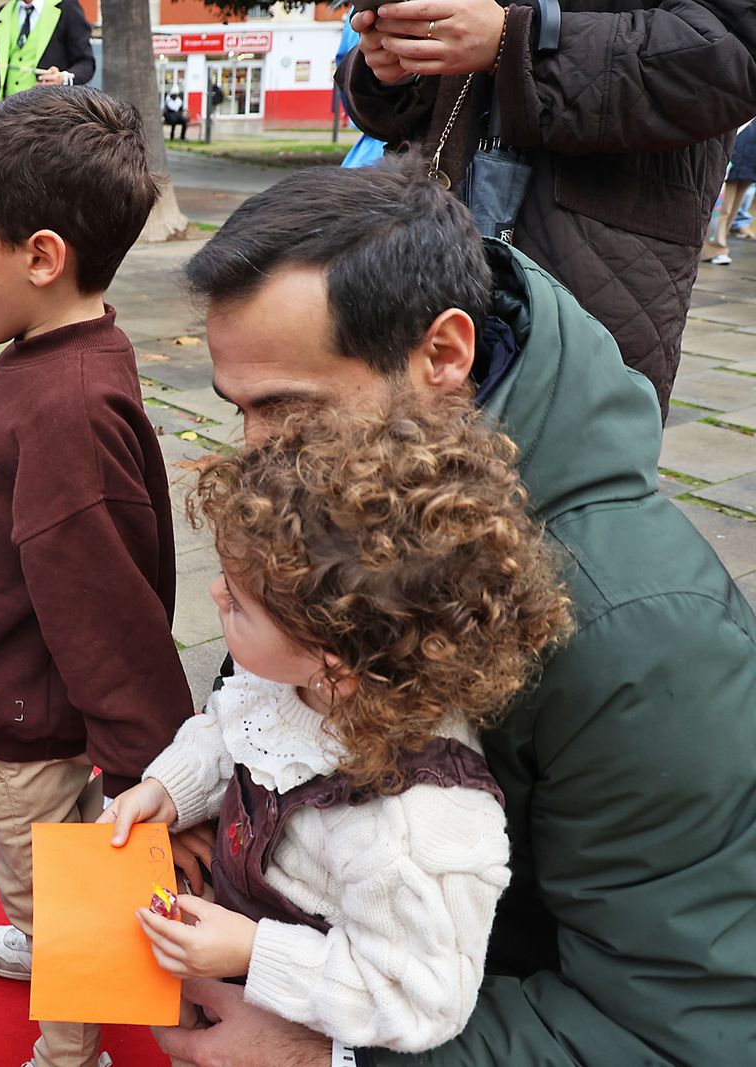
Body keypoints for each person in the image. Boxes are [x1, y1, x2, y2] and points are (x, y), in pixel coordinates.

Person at [157, 159, 756, 1067]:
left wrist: (325, 1058)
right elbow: (271, 690)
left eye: (288, 407)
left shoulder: (640, 636)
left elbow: (674, 1025)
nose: (255, 452)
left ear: (444, 355)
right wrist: (235, 807)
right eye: (239, 407)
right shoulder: (331, 506)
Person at [102, 397, 571, 1053]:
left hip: (312, 1025)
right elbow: (231, 727)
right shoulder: (294, 680)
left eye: (237, 602)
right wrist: (173, 789)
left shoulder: (413, 828)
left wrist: (254, 948)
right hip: (235, 966)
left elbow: (419, 999)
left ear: (334, 660)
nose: (214, 596)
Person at [0, 87, 191, 1067]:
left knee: (50, 873)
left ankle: (68, 1044)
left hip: (26, 721)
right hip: (20, 698)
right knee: (51, 865)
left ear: (40, 257)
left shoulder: (67, 408)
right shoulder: (52, 350)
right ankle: (50, 940)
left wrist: (143, 768)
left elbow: (106, 614)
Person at [337, 0, 756, 421]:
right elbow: (390, 102)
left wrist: (516, 42)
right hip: (428, 242)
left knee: (555, 464)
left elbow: (734, 54)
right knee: (399, 459)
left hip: (597, 254)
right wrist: (398, 55)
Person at [0, 0, 95, 100]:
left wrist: (63, 78)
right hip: (6, 115)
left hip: (50, 113)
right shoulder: (0, 15)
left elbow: (86, 64)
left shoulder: (67, 8)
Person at [707, 121, 756, 264]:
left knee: (733, 207)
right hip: (736, 148)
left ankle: (718, 243)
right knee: (723, 208)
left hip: (750, 153)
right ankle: (714, 246)